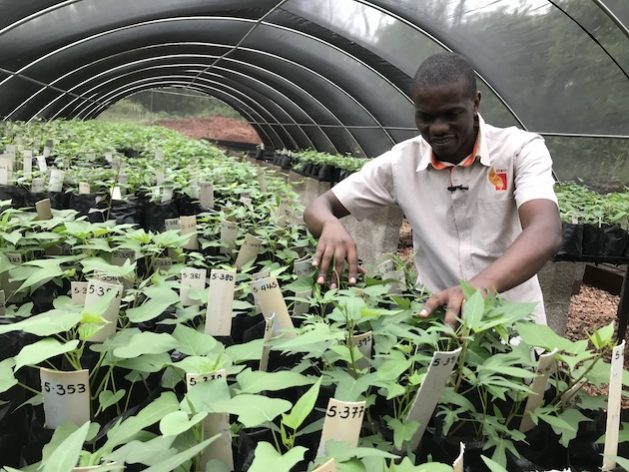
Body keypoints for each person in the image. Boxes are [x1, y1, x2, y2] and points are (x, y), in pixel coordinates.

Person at [303, 52, 561, 325]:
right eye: (426, 117)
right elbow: (318, 208)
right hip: (438, 322)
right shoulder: (401, 163)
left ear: (475, 103)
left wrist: (476, 289)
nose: (437, 128)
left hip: (513, 324)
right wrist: (330, 225)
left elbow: (545, 231)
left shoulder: (518, 150)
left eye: (452, 114)